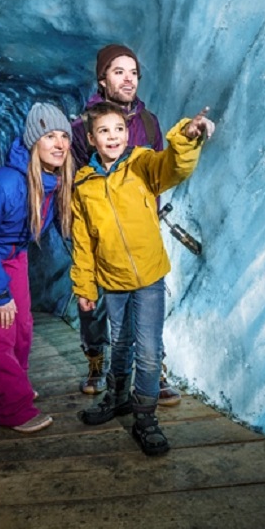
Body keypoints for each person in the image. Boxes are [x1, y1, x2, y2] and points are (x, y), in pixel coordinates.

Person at [71, 101, 215, 456]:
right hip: (113, 281)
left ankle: (146, 417)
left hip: (148, 276)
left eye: (119, 129)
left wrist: (186, 137)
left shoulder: (141, 163)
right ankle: (117, 398)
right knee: (119, 343)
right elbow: (84, 241)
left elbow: (173, 167)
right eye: (104, 131)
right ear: (91, 138)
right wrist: (85, 286)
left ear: (127, 133)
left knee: (148, 352)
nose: (113, 136)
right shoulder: (84, 184)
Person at [70, 43, 181, 407]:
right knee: (95, 307)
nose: (128, 79)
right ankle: (96, 362)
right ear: (102, 79)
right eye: (119, 71)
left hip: (138, 230)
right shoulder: (80, 127)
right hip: (98, 229)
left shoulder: (148, 123)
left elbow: (158, 174)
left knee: (147, 307)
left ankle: (153, 371)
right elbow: (75, 180)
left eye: (133, 72)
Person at [0, 102, 73, 433]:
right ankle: (11, 409)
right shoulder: (3, 184)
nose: (60, 143)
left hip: (14, 254)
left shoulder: (52, 182)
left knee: (22, 326)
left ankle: (15, 386)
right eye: (50, 136)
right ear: (34, 141)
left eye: (64, 136)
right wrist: (0, 292)